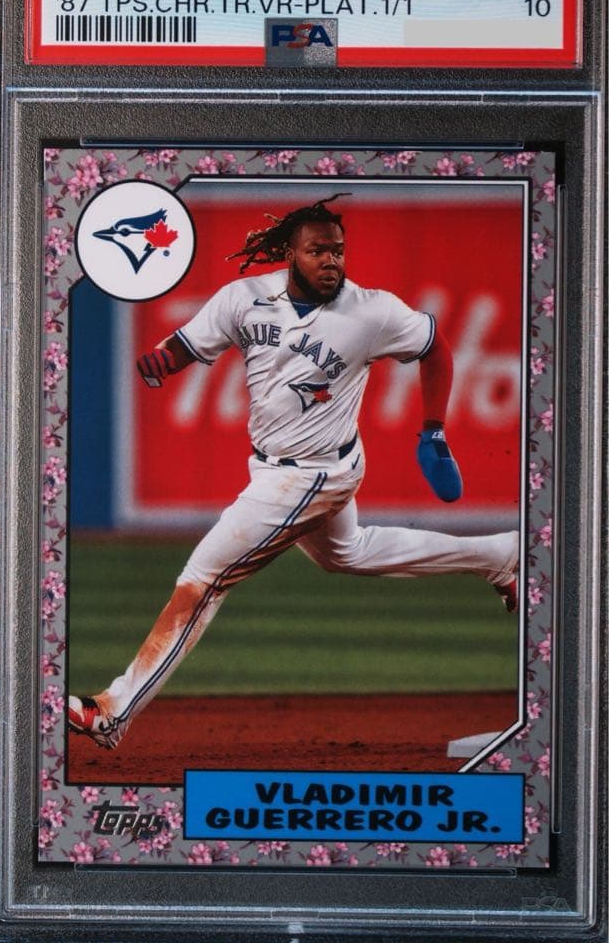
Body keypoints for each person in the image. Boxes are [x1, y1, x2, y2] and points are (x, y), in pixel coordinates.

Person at [69, 194, 519, 750]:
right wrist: (165, 359)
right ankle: (500, 555)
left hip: (314, 476)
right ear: (290, 253)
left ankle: (113, 710)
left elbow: (436, 347)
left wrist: (433, 430)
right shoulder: (244, 299)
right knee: (348, 553)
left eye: (337, 250)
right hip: (275, 466)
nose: (331, 260)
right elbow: (187, 344)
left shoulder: (372, 311)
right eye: (317, 251)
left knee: (202, 581)